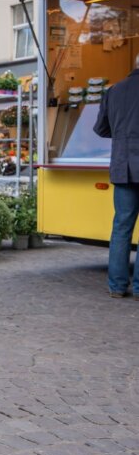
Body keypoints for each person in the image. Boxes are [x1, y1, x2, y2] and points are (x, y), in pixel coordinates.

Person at [94, 53, 139, 298]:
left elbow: (101, 128)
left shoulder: (114, 91)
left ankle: (117, 286)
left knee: (121, 226)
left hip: (123, 166)